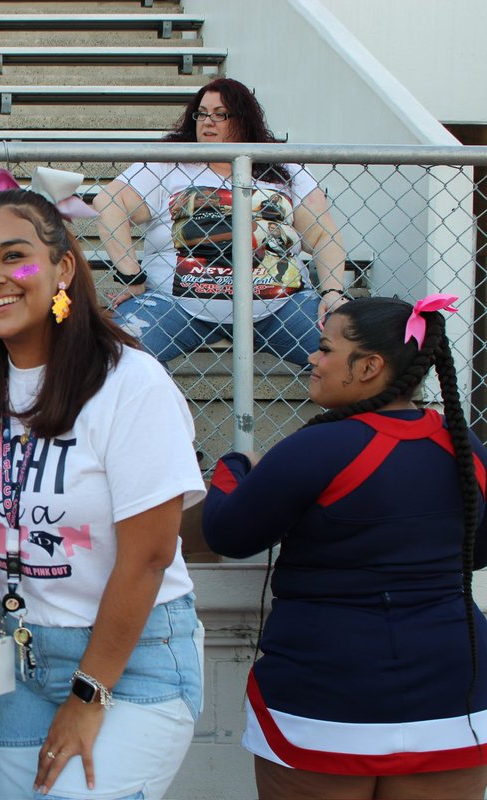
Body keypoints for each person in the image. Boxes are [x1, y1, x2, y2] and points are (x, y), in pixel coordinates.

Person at [0, 170, 206, 800]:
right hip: (21, 654)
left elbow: (148, 557)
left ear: (63, 269)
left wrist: (90, 693)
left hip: (133, 657)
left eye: (15, 256)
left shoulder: (132, 382)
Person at [202, 295, 487, 800]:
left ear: (370, 366)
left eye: (324, 348)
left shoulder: (318, 446)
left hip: (325, 694)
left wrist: (235, 468)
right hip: (454, 693)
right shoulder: (463, 446)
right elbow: (478, 550)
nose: (312, 358)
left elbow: (228, 535)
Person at [93, 77, 349, 367]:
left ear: (243, 120)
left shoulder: (283, 166)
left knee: (353, 352)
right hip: (174, 305)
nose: (207, 122)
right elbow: (108, 203)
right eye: (201, 113)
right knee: (115, 357)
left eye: (220, 114)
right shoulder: (169, 162)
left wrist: (332, 293)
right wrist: (132, 277)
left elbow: (323, 235)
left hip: (280, 307)